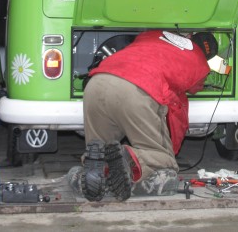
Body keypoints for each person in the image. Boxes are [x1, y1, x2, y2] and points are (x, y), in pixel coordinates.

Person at [71, 29, 218, 201]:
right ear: (207, 57)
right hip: (136, 90)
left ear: (190, 36)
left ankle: (99, 165)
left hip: (96, 83)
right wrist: (170, 149)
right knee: (164, 162)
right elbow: (186, 96)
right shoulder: (200, 64)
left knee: (100, 148)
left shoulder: (154, 34)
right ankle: (127, 157)